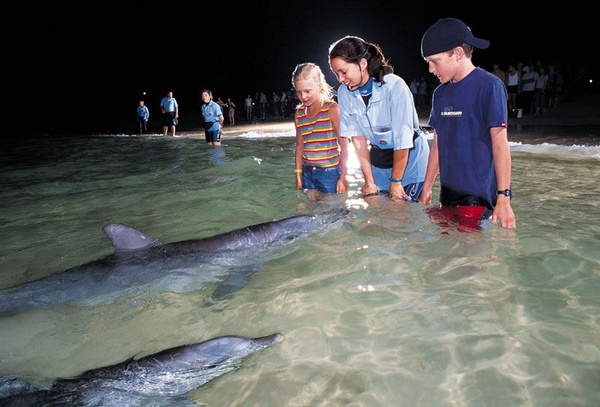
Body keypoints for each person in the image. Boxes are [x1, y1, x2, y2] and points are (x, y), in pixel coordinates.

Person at [419, 17, 516, 229]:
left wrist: (504, 197)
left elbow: (500, 142)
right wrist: (427, 187)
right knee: (444, 252)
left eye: (435, 61)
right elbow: (437, 143)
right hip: (448, 192)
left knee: (467, 256)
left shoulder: (490, 86)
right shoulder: (439, 94)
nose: (430, 69)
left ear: (458, 53)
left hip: (478, 194)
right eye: (428, 62)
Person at [328, 35, 429, 201]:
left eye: (343, 72)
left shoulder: (394, 86)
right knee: (378, 213)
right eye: (336, 73)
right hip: (379, 159)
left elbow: (402, 139)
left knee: (401, 213)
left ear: (362, 63)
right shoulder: (344, 93)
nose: (340, 79)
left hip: (409, 157)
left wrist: (396, 182)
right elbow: (358, 140)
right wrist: (369, 181)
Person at [292, 62, 348, 194]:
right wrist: (298, 176)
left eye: (307, 91)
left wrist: (343, 177)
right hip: (307, 172)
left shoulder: (332, 109)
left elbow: (344, 145)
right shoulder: (299, 114)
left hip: (330, 173)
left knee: (331, 211)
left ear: (319, 86)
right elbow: (299, 147)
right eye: (298, 92)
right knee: (309, 211)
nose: (303, 96)